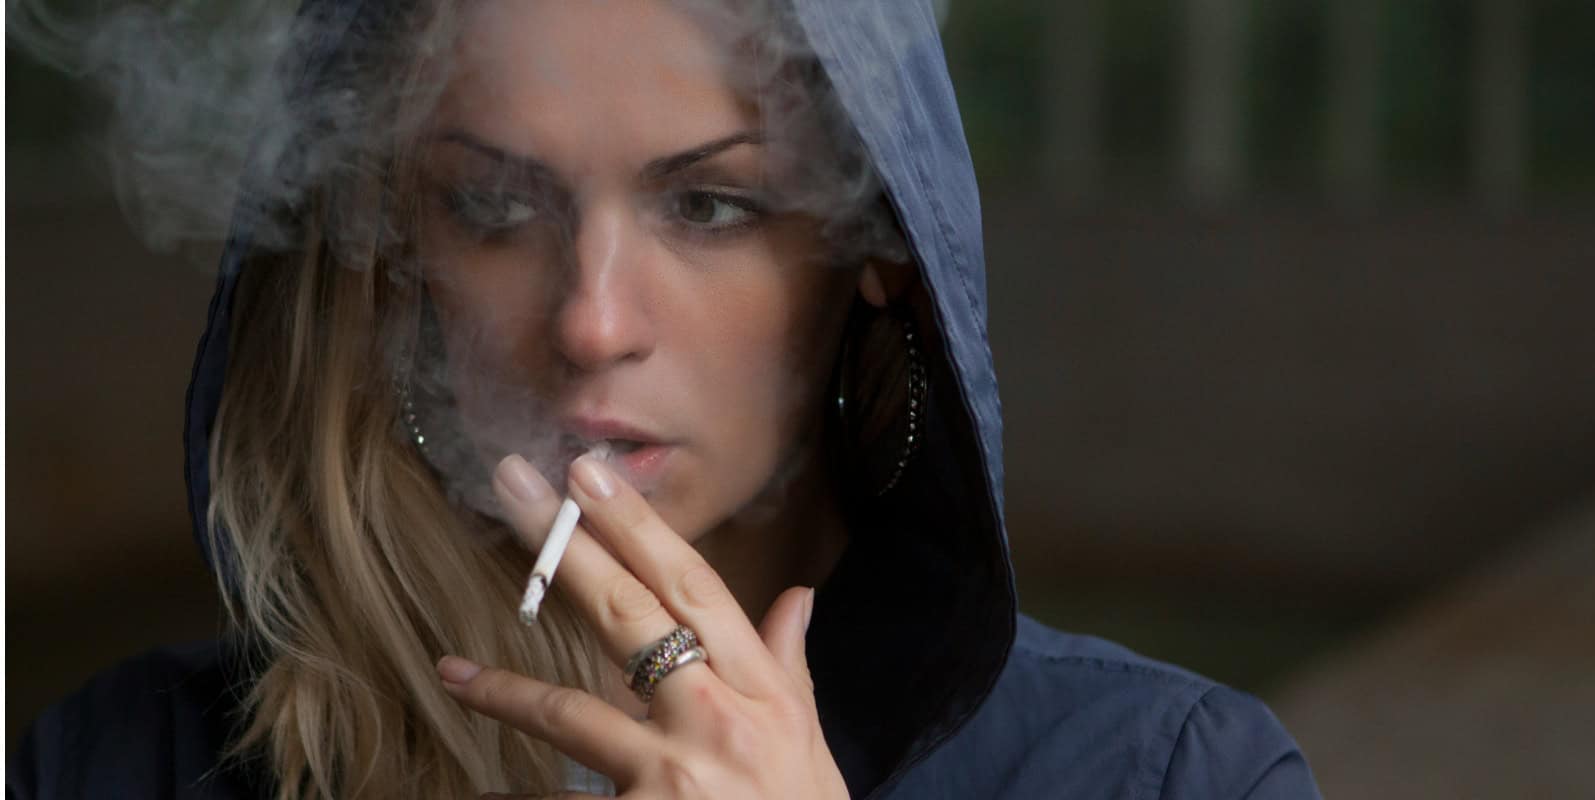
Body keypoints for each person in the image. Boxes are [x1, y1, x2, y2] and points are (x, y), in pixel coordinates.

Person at [9, 1, 1322, 798]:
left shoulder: (1168, 779)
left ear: (873, 251)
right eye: (493, 206)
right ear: (390, 255)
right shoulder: (112, 771)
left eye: (709, 205)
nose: (590, 320)